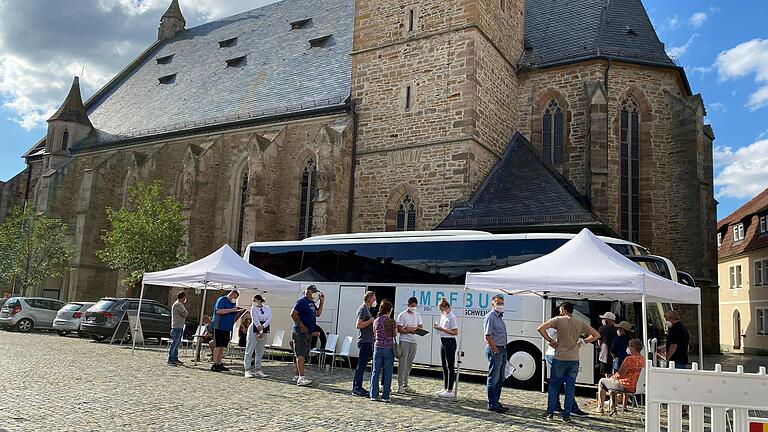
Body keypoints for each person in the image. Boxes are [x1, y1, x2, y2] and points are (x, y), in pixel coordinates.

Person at [538, 301, 600, 423]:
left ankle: (550, 412)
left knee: (554, 385)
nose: (560, 312)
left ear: (564, 310)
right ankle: (566, 415)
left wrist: (550, 340)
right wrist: (581, 342)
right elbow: (596, 335)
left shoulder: (558, 320)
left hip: (560, 357)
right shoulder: (580, 323)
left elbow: (540, 329)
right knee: (570, 387)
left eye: (561, 310)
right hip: (574, 358)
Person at [544, 327, 587, 416]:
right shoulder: (559, 324)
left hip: (553, 354)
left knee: (558, 382)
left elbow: (548, 338)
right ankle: (572, 407)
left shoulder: (556, 324)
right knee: (567, 382)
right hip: (557, 355)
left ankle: (556, 406)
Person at [596, 339, 645, 415]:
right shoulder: (643, 360)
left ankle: (600, 407)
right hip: (637, 387)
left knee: (602, 381)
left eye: (629, 346)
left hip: (625, 385)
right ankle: (612, 406)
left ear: (634, 348)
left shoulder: (629, 359)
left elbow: (620, 374)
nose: (628, 347)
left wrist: (612, 377)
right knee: (611, 382)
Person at [290, 285, 325, 386]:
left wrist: (322, 302)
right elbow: (293, 314)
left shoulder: (311, 303)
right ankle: (301, 377)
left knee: (302, 354)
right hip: (300, 332)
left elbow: (317, 314)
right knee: (300, 354)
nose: (315, 294)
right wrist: (301, 325)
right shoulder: (302, 301)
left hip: (307, 332)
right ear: (308, 291)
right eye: (313, 292)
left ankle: (297, 375)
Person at [483, 294, 509, 413]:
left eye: (502, 303)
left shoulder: (499, 317)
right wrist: (495, 350)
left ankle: (496, 401)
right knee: (493, 377)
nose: (500, 305)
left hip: (502, 349)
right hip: (496, 349)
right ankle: (492, 403)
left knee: (501, 377)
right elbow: (488, 336)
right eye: (498, 303)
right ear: (492, 304)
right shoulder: (490, 317)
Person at [370, 299, 397, 402]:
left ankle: (373, 394)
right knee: (388, 372)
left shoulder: (376, 321)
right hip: (388, 348)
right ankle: (385, 396)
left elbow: (374, 333)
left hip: (377, 347)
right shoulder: (391, 321)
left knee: (375, 371)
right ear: (389, 310)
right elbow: (394, 334)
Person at [396, 296, 423, 394]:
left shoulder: (417, 315)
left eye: (415, 306)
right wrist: (409, 330)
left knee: (409, 364)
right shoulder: (402, 315)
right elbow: (399, 329)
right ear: (408, 305)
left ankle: (406, 384)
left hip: (413, 341)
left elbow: (421, 327)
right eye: (412, 306)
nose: (413, 308)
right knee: (402, 364)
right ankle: (400, 386)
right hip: (404, 341)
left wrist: (413, 329)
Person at [352, 291, 377, 397]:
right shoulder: (363, 308)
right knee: (361, 365)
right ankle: (356, 388)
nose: (375, 300)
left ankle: (359, 387)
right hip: (364, 341)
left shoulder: (367, 309)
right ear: (370, 298)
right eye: (374, 298)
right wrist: (371, 321)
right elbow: (358, 325)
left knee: (363, 365)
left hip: (368, 341)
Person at [433, 298, 459, 398]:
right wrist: (438, 327)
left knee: (450, 366)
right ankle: (445, 387)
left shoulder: (452, 317)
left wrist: (442, 328)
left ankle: (450, 390)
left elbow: (455, 332)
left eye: (442, 309)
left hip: (450, 342)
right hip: (443, 341)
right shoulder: (444, 315)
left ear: (447, 307)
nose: (441, 311)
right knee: (444, 365)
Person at [211, 290, 240, 372]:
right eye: (235, 297)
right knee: (218, 345)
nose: (235, 300)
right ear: (231, 295)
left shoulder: (232, 303)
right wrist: (232, 310)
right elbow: (219, 311)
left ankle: (219, 363)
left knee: (222, 346)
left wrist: (238, 312)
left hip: (227, 327)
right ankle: (214, 364)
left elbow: (232, 312)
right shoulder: (222, 300)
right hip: (219, 326)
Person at [244, 295, 272, 378]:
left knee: (260, 350)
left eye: (255, 300)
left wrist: (263, 328)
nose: (254, 302)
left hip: (264, 328)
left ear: (259, 300)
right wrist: (260, 329)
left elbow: (269, 318)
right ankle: (247, 369)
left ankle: (258, 369)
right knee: (250, 349)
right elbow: (255, 319)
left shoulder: (267, 308)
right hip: (255, 328)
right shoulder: (253, 308)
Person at [168, 291, 188, 366]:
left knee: (177, 344)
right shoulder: (178, 305)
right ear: (183, 297)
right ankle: (170, 359)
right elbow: (185, 314)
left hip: (179, 326)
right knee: (174, 343)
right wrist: (186, 310)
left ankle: (175, 358)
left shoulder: (180, 304)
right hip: (177, 327)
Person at [597, 312, 617, 377]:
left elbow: (599, 343)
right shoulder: (618, 329)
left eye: (604, 319)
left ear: (607, 320)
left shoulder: (602, 328)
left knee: (607, 372)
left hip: (605, 355)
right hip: (616, 355)